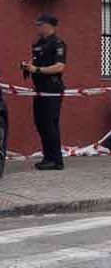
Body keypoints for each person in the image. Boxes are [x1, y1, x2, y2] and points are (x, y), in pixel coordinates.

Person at [22, 14, 67, 171]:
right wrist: (27, 67)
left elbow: (60, 66)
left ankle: (56, 160)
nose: (37, 27)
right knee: (40, 123)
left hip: (52, 89)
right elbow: (34, 61)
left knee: (50, 124)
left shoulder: (58, 43)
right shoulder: (38, 43)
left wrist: (38, 69)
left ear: (48, 25)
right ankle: (48, 157)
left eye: (39, 25)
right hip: (40, 89)